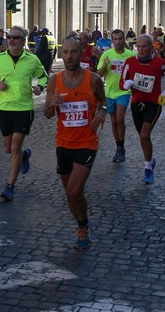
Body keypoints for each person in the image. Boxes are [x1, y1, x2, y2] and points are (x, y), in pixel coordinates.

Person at [44, 36, 107, 250]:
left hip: (87, 143)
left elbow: (104, 101)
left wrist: (102, 111)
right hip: (63, 143)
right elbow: (47, 114)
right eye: (65, 52)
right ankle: (82, 222)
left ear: (81, 54)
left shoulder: (93, 80)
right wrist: (51, 104)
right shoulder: (55, 80)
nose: (69, 56)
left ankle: (83, 228)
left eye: (73, 52)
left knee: (73, 191)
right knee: (73, 194)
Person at [0, 25, 48, 200]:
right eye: (9, 37)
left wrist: (40, 87)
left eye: (15, 37)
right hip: (5, 108)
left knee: (14, 147)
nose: (11, 40)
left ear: (23, 41)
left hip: (24, 109)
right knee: (8, 149)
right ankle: (24, 155)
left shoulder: (32, 59)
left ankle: (10, 186)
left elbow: (44, 76)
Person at [121, 34, 165, 184]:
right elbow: (122, 82)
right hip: (137, 104)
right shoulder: (130, 62)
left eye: (144, 46)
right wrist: (127, 84)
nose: (141, 49)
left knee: (144, 135)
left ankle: (147, 168)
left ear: (152, 48)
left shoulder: (159, 62)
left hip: (154, 104)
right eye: (138, 46)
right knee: (143, 137)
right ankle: (150, 160)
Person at [96, 29, 136, 162]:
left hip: (124, 91)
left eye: (120, 39)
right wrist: (105, 65)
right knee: (113, 121)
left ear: (124, 39)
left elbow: (137, 72)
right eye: (115, 39)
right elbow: (99, 75)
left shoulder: (131, 55)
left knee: (119, 119)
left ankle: (122, 145)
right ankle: (119, 147)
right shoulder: (107, 55)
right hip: (110, 92)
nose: (118, 41)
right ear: (112, 41)